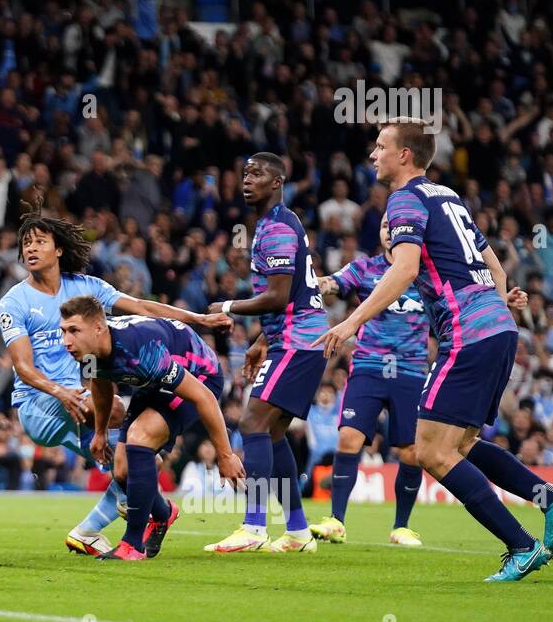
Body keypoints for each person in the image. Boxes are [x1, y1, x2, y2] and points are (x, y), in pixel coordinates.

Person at [313, 118, 553, 582]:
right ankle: (551, 499)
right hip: (498, 330)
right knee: (463, 444)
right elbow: (491, 263)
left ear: (405, 155)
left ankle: (520, 545)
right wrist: (498, 303)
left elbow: (402, 271)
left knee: (430, 451)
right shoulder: (448, 197)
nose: (373, 155)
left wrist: (352, 321)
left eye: (380, 147)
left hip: (467, 336)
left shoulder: (404, 199)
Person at [0, 205, 231, 556]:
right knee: (121, 421)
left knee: (134, 461)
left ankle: (106, 526)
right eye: (25, 244)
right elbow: (22, 366)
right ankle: (136, 510)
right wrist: (63, 393)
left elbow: (145, 307)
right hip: (39, 404)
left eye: (39, 242)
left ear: (58, 248)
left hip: (82, 394)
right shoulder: (13, 301)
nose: (30, 249)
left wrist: (199, 318)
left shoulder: (85, 290)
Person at [205, 153, 330, 553]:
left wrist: (227, 307)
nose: (247, 180)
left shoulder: (276, 227)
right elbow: (291, 294)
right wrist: (262, 341)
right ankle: (296, 531)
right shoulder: (275, 224)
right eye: (244, 173)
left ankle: (254, 527)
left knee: (251, 422)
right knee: (272, 433)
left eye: (257, 174)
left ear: (277, 182)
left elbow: (277, 296)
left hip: (299, 341)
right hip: (294, 339)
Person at [59, 297, 244, 561]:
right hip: (152, 382)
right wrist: (100, 432)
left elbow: (204, 397)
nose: (66, 340)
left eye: (74, 331)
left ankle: (132, 545)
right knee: (122, 469)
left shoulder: (142, 350)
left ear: (99, 327)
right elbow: (100, 383)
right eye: (64, 331)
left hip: (199, 375)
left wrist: (225, 455)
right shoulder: (88, 351)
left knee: (139, 438)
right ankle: (163, 513)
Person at [311, 213, 432, 546]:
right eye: (383, 226)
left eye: (395, 226)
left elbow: (459, 305)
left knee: (409, 450)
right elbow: (334, 283)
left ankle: (401, 526)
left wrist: (500, 299)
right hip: (367, 366)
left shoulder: (427, 275)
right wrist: (318, 283)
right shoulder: (364, 269)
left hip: (410, 371)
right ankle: (336, 520)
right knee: (348, 438)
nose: (390, 231)